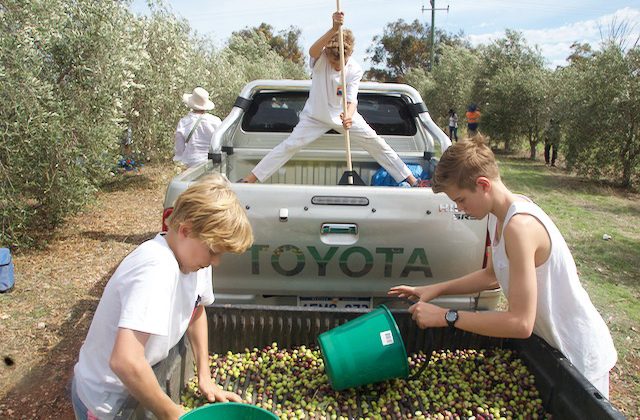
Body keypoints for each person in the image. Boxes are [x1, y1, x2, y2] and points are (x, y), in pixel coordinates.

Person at [388, 135, 617, 398]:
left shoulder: (520, 227)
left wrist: (446, 316)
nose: (460, 208)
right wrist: (433, 290)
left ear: (483, 185)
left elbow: (520, 323)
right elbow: (493, 275)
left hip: (579, 354)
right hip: (554, 350)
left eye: (461, 200)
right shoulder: (496, 216)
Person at [71, 174, 254, 420]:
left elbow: (196, 311)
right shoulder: (155, 269)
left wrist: (205, 376)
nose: (216, 262)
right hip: (107, 402)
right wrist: (172, 413)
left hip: (135, 387)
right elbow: (125, 361)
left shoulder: (194, 260)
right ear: (185, 230)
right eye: (213, 252)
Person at [238, 11, 422, 187]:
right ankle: (250, 179)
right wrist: (334, 28)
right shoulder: (321, 59)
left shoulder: (355, 69)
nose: (336, 67)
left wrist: (349, 116)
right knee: (289, 146)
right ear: (327, 54)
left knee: (376, 143)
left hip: (344, 116)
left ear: (349, 55)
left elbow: (352, 100)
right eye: (333, 63)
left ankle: (412, 180)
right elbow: (312, 50)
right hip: (315, 116)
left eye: (340, 63)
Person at [174, 87, 222, 168]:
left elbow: (179, 149)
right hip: (212, 162)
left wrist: (179, 159)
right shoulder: (216, 121)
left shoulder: (184, 122)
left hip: (191, 164)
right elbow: (221, 141)